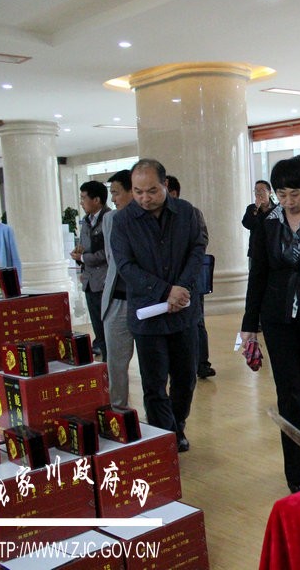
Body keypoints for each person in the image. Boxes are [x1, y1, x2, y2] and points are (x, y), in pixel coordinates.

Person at [240, 157, 300, 493]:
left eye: (295, 194)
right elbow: (258, 274)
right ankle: (296, 470)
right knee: (289, 393)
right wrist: (249, 324)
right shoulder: (267, 224)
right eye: (282, 194)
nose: (288, 201)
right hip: (277, 318)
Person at [110, 159, 207, 452]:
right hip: (147, 315)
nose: (144, 198)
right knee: (154, 384)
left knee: (185, 379)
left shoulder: (187, 213)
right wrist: (166, 291)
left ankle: (178, 425)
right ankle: (165, 437)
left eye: (151, 191)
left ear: (165, 184)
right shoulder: (123, 221)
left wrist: (182, 288)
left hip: (183, 312)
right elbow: (126, 266)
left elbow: (198, 250)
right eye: (138, 191)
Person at [166, 175, 216, 379]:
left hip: (190, 278)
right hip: (167, 282)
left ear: (173, 193)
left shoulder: (191, 213)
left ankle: (202, 363)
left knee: (197, 321)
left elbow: (201, 242)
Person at [100, 169, 136, 407]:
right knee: (115, 363)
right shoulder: (110, 220)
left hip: (145, 302)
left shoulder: (150, 219)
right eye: (111, 193)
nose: (113, 199)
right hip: (116, 300)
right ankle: (118, 412)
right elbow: (111, 257)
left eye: (116, 193)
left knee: (153, 366)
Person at [71, 181, 111, 360]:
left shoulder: (109, 219)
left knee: (108, 325)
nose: (81, 202)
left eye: (83, 198)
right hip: (90, 281)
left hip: (105, 280)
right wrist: (78, 255)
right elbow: (85, 246)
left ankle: (110, 361)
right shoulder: (86, 220)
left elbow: (107, 252)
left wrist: (83, 258)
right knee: (97, 325)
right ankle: (103, 359)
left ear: (96, 200)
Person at [242, 180, 274, 259]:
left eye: (262, 190)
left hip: (273, 251)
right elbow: (248, 224)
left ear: (270, 192)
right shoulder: (251, 208)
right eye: (256, 190)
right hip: (256, 252)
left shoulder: (276, 209)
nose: (258, 193)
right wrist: (256, 208)